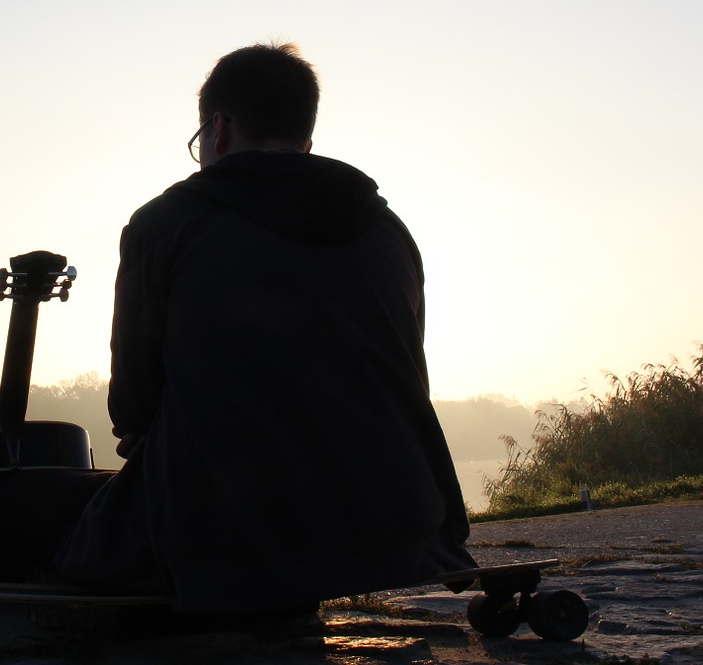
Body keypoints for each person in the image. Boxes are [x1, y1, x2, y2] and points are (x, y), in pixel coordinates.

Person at [52, 42, 476, 614]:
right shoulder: (389, 230)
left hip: (227, 533)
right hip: (396, 523)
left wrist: (146, 432)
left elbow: (133, 401)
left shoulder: (166, 224)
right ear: (305, 139)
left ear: (219, 129)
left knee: (67, 536)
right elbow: (406, 376)